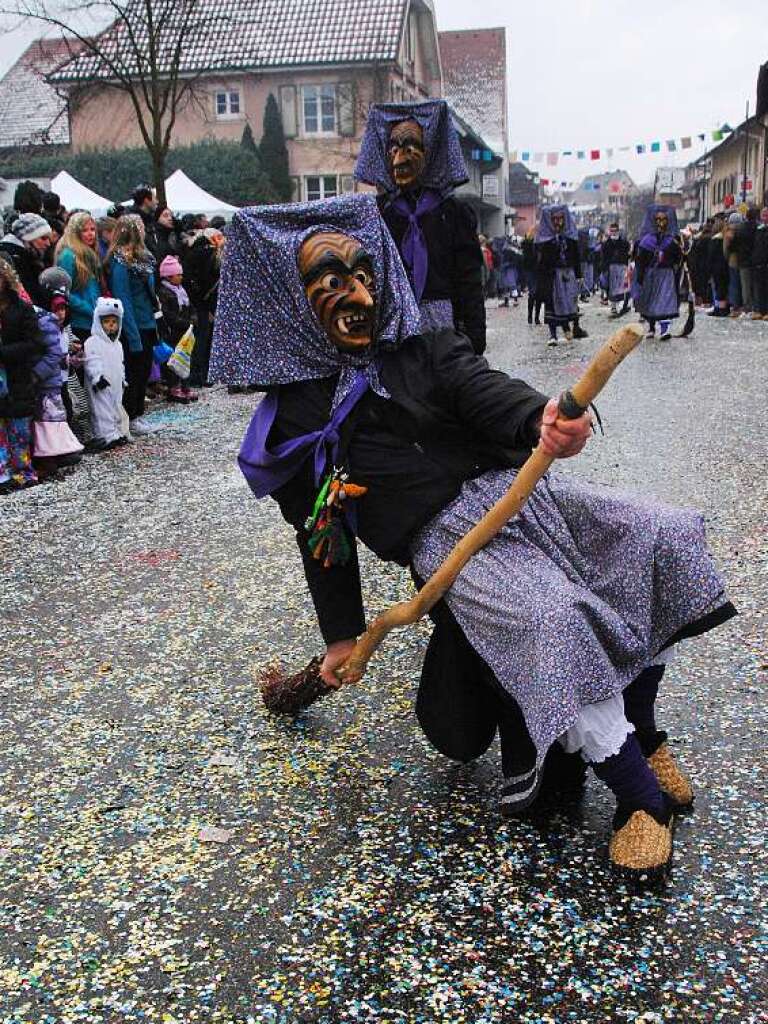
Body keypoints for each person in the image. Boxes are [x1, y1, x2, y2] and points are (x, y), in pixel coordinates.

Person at [210, 194, 735, 879]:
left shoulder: (420, 345)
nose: (357, 293)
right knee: (552, 618)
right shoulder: (289, 427)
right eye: (331, 280)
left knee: (653, 537)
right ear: (291, 299)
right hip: (449, 547)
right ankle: (641, 800)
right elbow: (323, 535)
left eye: (365, 273)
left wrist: (542, 419)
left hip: (524, 496)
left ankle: (645, 729)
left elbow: (481, 386)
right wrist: (341, 632)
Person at [354, 99, 486, 354]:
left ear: (430, 152)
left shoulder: (454, 213)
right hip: (395, 329)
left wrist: (473, 339)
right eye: (392, 147)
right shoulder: (378, 213)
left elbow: (469, 280)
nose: (399, 156)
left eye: (409, 146)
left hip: (443, 329)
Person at [104, 215, 160, 436]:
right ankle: (130, 415)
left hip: (147, 321)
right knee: (134, 373)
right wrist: (132, 333)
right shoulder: (120, 262)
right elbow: (123, 298)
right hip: (133, 325)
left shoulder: (144, 260)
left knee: (144, 371)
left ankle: (138, 413)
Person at [30, 269, 84, 475]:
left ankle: (61, 451)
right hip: (49, 381)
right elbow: (53, 353)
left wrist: (71, 359)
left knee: (59, 416)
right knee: (49, 420)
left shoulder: (57, 326)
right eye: (57, 309)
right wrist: (38, 374)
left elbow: (58, 353)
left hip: (57, 379)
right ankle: (51, 455)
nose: (61, 314)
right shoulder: (46, 323)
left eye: (63, 309)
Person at [0, 256, 45, 493]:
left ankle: (22, 471)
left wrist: (4, 352)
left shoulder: (21, 309)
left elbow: (34, 344)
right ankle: (3, 473)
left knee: (19, 430)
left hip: (17, 377)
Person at [535, 205, 588, 346]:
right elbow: (541, 261)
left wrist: (579, 275)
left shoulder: (570, 237)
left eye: (560, 219)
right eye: (555, 219)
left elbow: (576, 257)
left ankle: (570, 327)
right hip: (553, 276)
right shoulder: (545, 240)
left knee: (570, 301)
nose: (558, 222)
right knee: (552, 304)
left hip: (568, 274)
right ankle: (553, 335)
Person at [83, 297, 128, 451]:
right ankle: (104, 436)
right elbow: (91, 360)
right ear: (99, 322)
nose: (111, 325)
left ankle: (115, 433)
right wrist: (97, 376)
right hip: (100, 383)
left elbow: (120, 364)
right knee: (101, 409)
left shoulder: (118, 345)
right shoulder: (92, 342)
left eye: (114, 322)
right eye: (107, 321)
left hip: (115, 382)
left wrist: (123, 378)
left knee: (115, 406)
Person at [182, 227, 222, 389]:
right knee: (203, 340)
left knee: (200, 339)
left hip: (196, 302)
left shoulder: (194, 251)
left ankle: (199, 375)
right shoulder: (208, 254)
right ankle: (201, 375)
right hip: (203, 303)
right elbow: (208, 281)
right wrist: (209, 306)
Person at [635, 205, 682, 340]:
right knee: (651, 301)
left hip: (666, 275)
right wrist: (640, 276)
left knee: (665, 301)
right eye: (657, 219)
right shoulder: (645, 241)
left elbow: (678, 258)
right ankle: (651, 327)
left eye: (663, 219)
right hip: (650, 275)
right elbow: (640, 261)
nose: (660, 223)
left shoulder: (672, 242)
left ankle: (665, 329)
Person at [55, 211, 103, 342]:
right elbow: (63, 291)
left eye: (93, 229)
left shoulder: (90, 254)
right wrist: (88, 309)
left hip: (94, 320)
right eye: (85, 230)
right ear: (76, 232)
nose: (90, 233)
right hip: (79, 322)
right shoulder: (68, 256)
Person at [157, 254, 197, 403]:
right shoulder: (164, 293)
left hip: (185, 331)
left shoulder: (182, 291)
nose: (181, 277)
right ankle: (174, 386)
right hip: (174, 332)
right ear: (168, 276)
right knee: (174, 359)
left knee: (186, 357)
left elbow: (191, 307)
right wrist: (185, 323)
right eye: (178, 274)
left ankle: (185, 384)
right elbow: (168, 315)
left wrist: (193, 319)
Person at [0, 214, 53, 307]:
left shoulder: (29, 256)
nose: (48, 243)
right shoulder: (15, 259)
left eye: (49, 239)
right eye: (43, 238)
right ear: (28, 238)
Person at [601, 223, 631, 316]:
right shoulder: (606, 244)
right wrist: (604, 268)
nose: (613, 233)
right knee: (612, 288)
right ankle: (613, 307)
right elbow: (603, 257)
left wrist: (626, 265)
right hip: (610, 267)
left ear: (618, 231)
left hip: (621, 266)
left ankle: (621, 306)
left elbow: (627, 254)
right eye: (612, 231)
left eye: (615, 231)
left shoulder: (624, 243)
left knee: (622, 287)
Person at [706, 214, 730, 317]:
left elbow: (711, 255)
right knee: (722, 287)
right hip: (725, 265)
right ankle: (721, 307)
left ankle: (720, 308)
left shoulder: (716, 239)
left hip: (716, 266)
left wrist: (709, 267)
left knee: (719, 287)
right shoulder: (725, 237)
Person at [129, 184, 159, 258]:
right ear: (146, 201)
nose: (157, 202)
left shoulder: (150, 218)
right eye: (155, 198)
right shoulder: (132, 222)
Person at [495, 234, 522, 308]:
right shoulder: (509, 249)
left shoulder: (508, 250)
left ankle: (514, 300)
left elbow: (514, 260)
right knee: (507, 286)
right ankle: (508, 301)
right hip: (508, 270)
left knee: (511, 285)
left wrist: (506, 264)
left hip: (509, 270)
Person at [521, 227, 541, 325]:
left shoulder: (534, 245)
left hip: (535, 271)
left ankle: (535, 317)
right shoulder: (528, 245)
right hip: (532, 271)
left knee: (536, 295)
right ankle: (532, 317)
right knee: (534, 294)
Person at [751, 207, 768, 320]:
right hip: (759, 263)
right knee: (759, 288)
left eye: (766, 215)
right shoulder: (759, 229)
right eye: (763, 215)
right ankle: (760, 310)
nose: (765, 217)